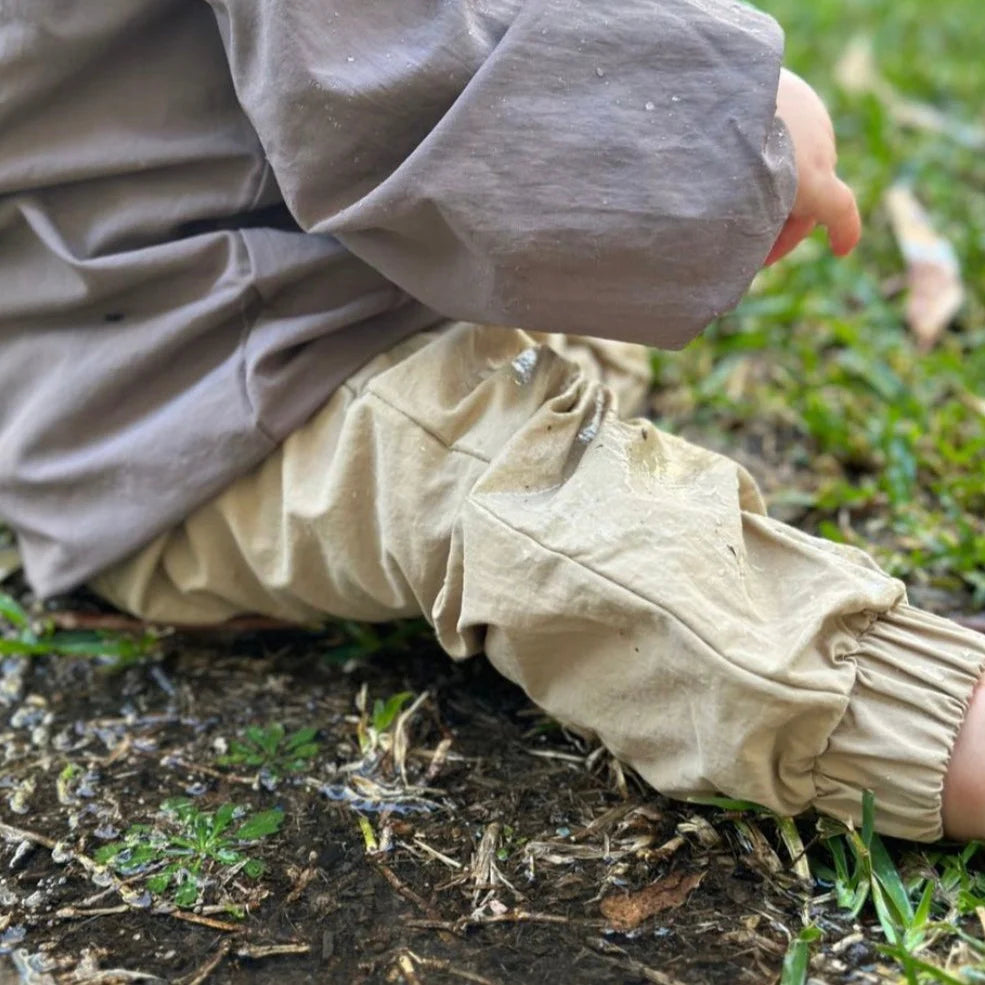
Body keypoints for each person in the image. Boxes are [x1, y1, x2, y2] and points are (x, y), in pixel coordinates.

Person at [2, 0, 984, 843]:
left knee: (554, 337)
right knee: (509, 486)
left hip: (274, 299)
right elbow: (382, 81)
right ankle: (930, 722)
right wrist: (721, 122)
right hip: (197, 394)